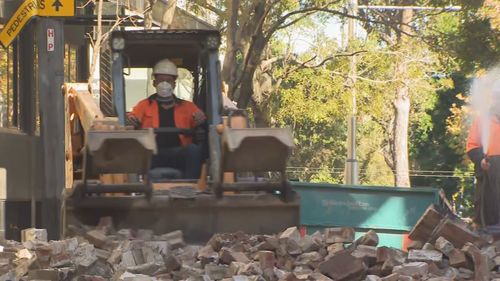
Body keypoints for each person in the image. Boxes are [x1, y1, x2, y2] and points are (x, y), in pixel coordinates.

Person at [128, 58, 206, 179]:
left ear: (174, 83)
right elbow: (132, 117)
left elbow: (202, 121)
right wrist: (132, 120)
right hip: (152, 154)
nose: (164, 84)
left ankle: (192, 185)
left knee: (194, 150)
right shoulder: (143, 105)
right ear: (154, 83)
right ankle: (140, 185)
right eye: (161, 80)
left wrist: (202, 120)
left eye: (168, 80)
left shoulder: (188, 107)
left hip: (178, 153)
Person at [466, 82, 500, 226]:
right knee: (488, 204)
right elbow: (472, 146)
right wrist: (481, 160)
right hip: (489, 170)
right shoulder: (482, 120)